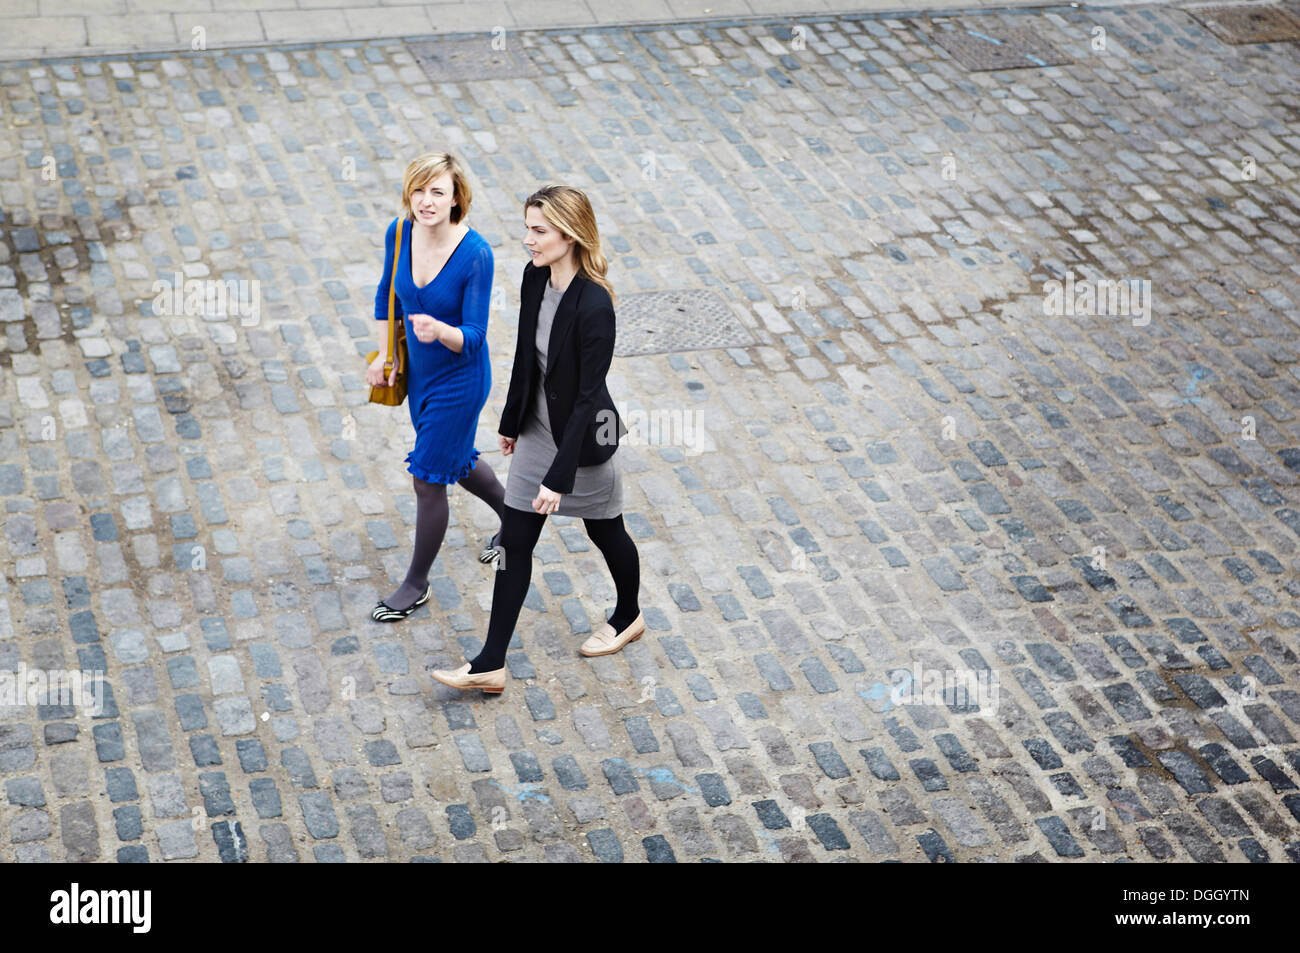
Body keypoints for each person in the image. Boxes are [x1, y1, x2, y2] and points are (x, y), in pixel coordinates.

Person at [431, 186, 644, 693]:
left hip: (582, 442)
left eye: (538, 231)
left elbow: (589, 398)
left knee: (605, 531)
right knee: (515, 541)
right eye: (527, 228)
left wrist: (559, 476)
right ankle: (490, 663)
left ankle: (629, 615)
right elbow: (527, 356)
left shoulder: (595, 306)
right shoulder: (534, 278)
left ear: (569, 235)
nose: (527, 240)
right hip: (537, 430)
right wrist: (510, 421)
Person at [367, 152, 506, 622]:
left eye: (437, 192)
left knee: (428, 477)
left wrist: (439, 331)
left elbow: (474, 337)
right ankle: (517, 519)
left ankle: (416, 583)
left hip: (461, 380)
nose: (426, 201)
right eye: (419, 190)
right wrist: (386, 356)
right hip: (421, 377)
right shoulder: (399, 232)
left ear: (456, 199)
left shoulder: (476, 255)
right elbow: (387, 294)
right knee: (458, 462)